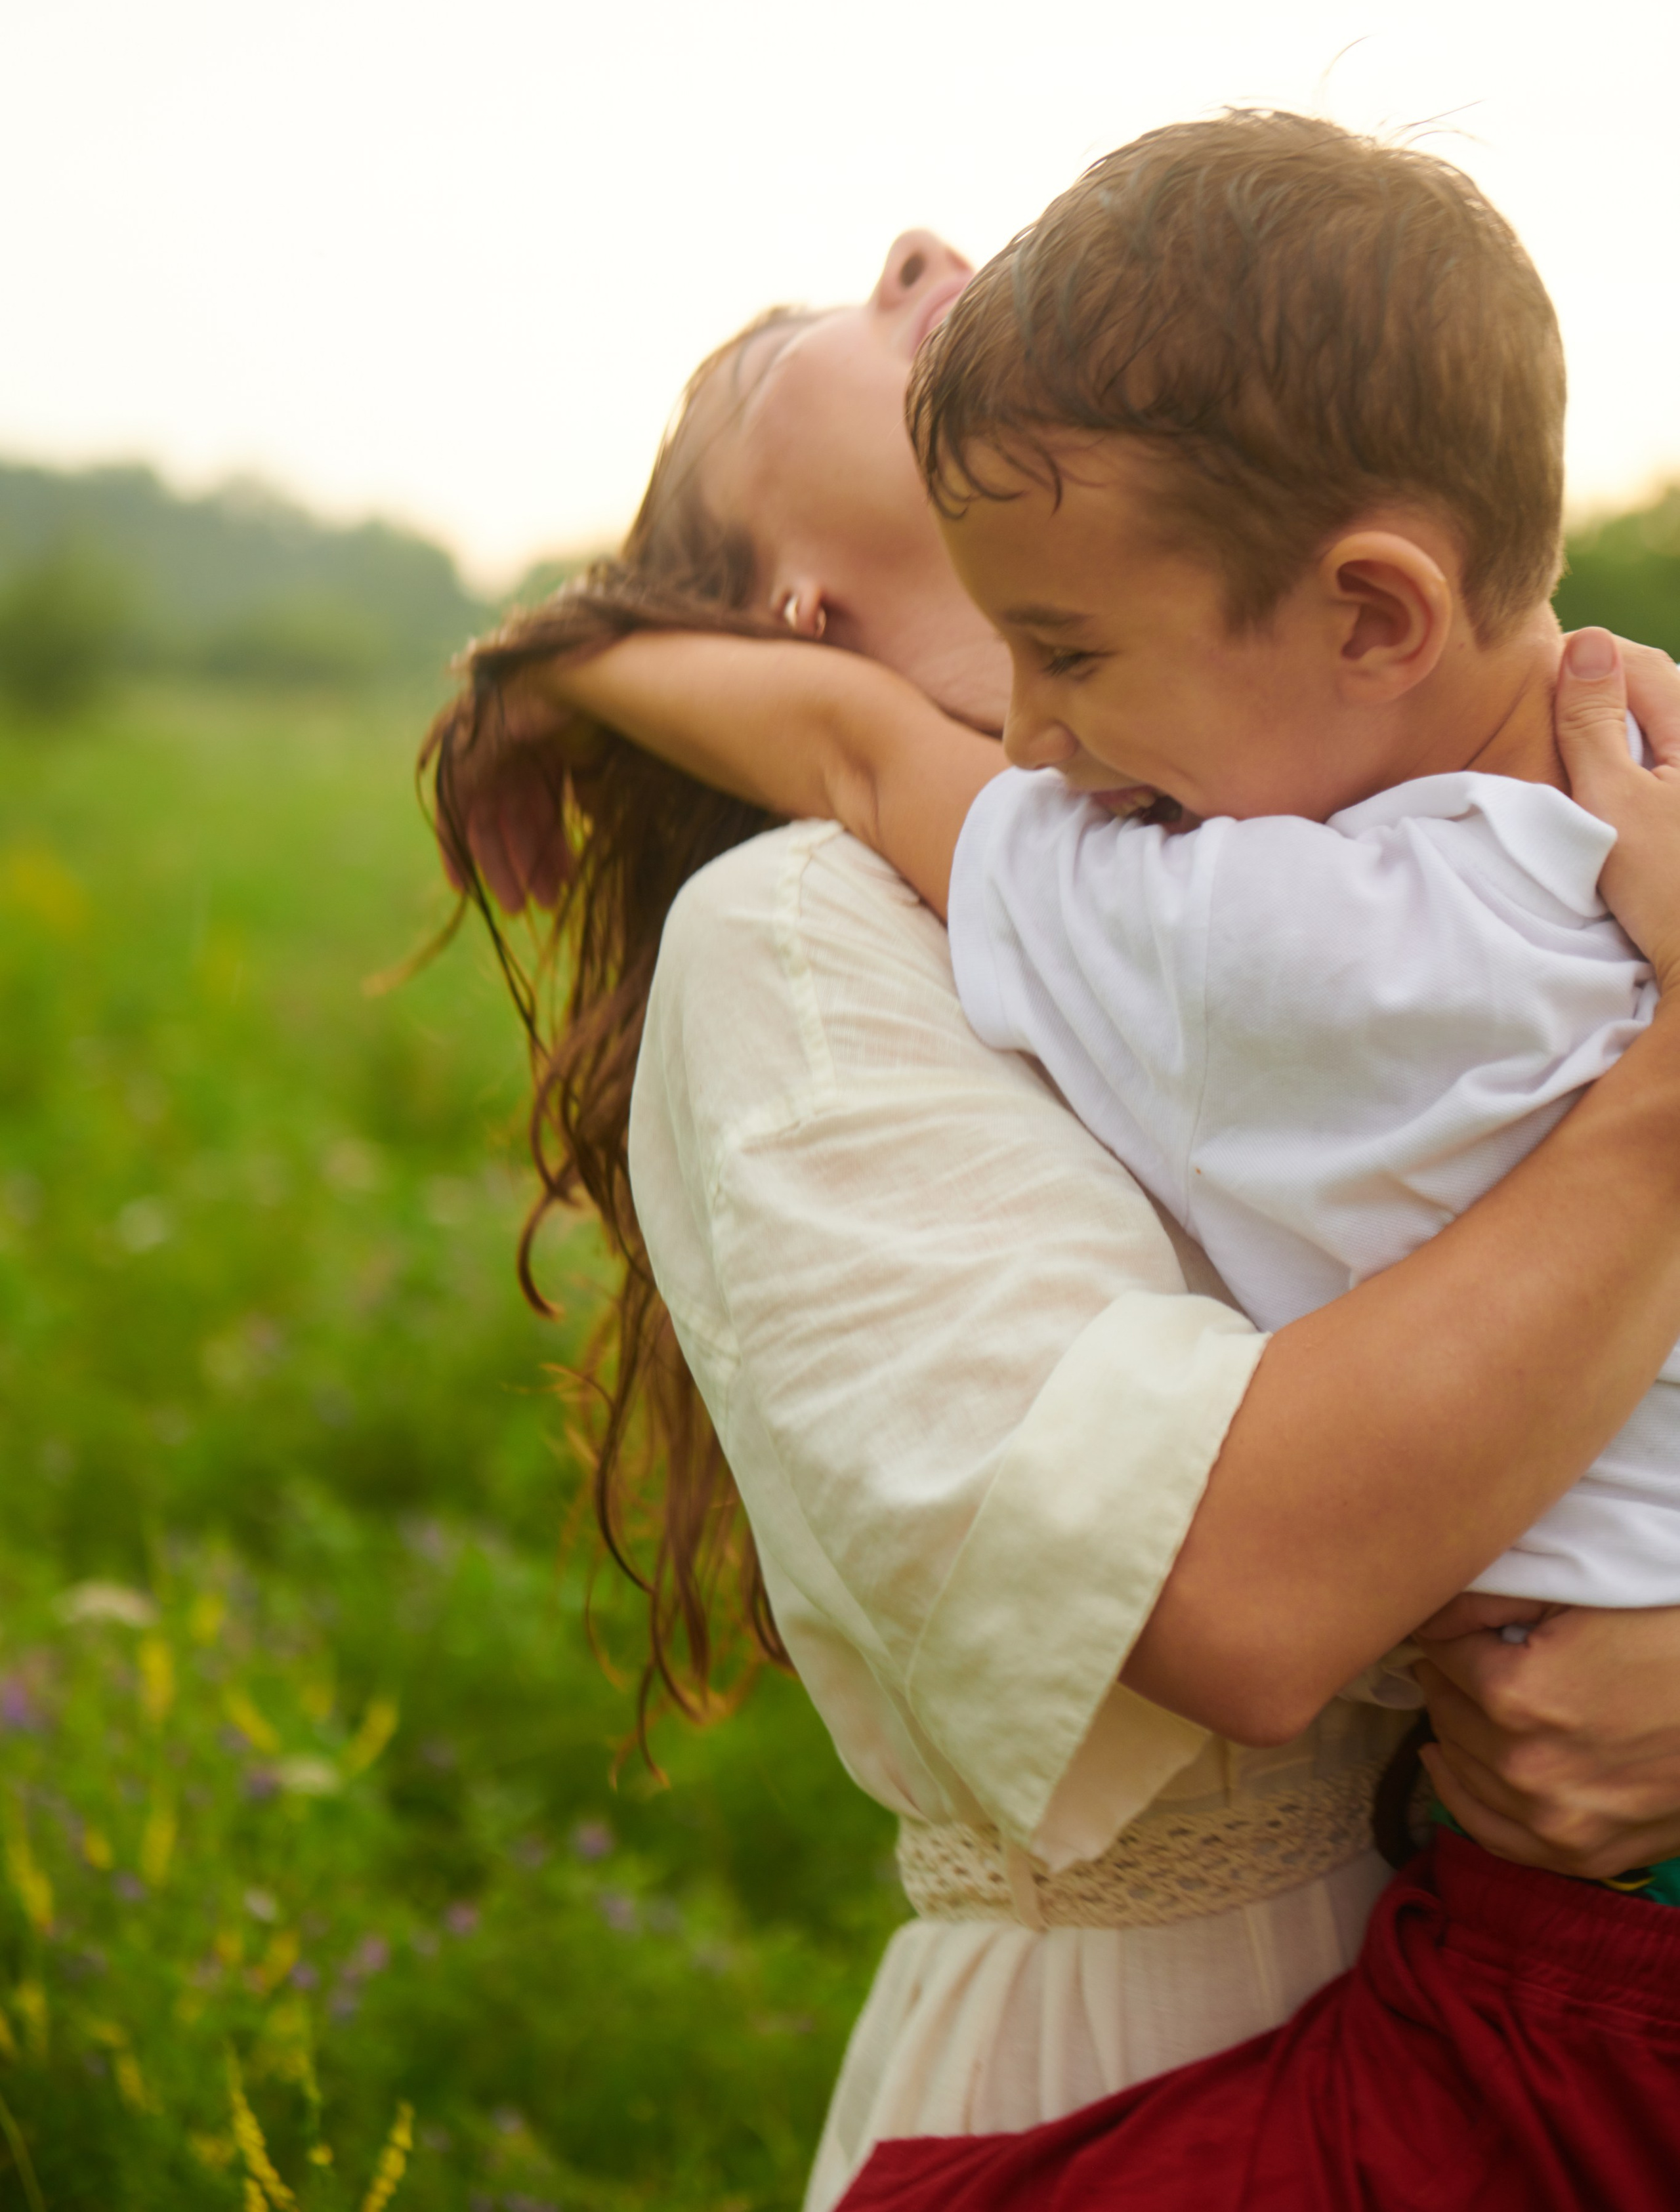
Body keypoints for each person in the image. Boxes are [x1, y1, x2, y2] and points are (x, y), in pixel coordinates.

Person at [425, 216, 1680, 2210]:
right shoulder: (813, 935)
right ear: (802, 607)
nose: (919, 239)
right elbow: (1243, 1596)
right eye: (804, 337)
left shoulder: (1427, 812)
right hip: (1160, 2052)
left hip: (1513, 1975)